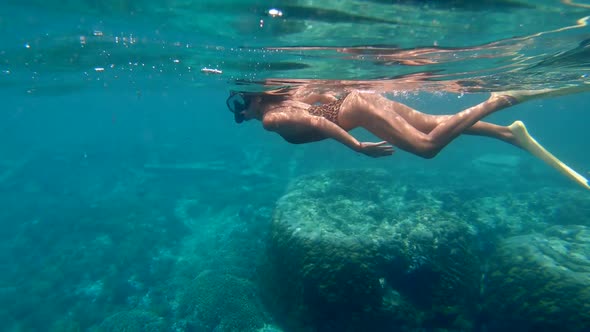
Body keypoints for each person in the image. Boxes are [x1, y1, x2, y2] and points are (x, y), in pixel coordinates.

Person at [226, 85, 589, 189]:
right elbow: (323, 95)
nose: (240, 111)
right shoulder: (289, 95)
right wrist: (342, 99)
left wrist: (357, 146)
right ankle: (507, 134)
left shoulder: (272, 119)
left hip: (360, 110)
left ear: (255, 98)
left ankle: (498, 101)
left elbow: (321, 124)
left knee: (426, 147)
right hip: (361, 101)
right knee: (432, 122)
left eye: (240, 103)